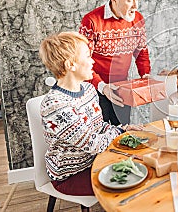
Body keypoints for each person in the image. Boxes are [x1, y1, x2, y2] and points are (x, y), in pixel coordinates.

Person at [39, 32, 142, 196]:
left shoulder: (88, 90)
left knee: (142, 166)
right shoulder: (56, 106)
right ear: (70, 65)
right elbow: (94, 144)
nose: (92, 61)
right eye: (87, 56)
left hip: (95, 160)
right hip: (71, 175)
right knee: (134, 183)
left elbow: (98, 127)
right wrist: (121, 132)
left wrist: (126, 128)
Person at [79, 0, 151, 126]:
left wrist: (145, 74)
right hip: (95, 89)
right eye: (130, 0)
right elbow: (81, 62)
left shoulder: (138, 19)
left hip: (122, 89)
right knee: (101, 135)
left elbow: (141, 52)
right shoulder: (91, 21)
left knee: (124, 132)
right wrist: (102, 87)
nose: (135, 6)